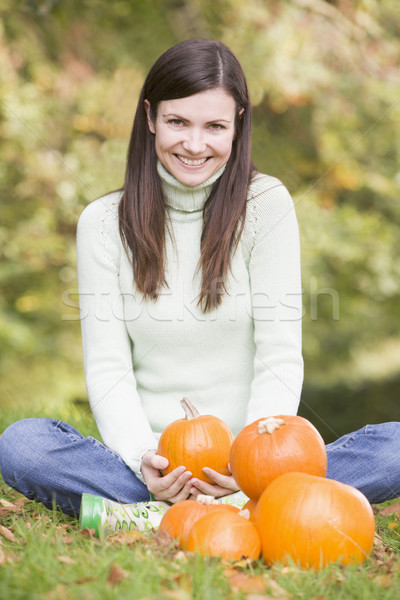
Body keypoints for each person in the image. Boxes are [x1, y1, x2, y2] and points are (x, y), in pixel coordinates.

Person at [0, 40, 399, 519]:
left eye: (214, 126)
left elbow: (279, 354)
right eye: (177, 122)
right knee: (23, 445)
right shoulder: (102, 223)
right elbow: (108, 369)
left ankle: (192, 511)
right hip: (150, 469)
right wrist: (142, 459)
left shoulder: (266, 206)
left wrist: (252, 463)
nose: (194, 144)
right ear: (150, 118)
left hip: (255, 461)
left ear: (239, 124)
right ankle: (216, 511)